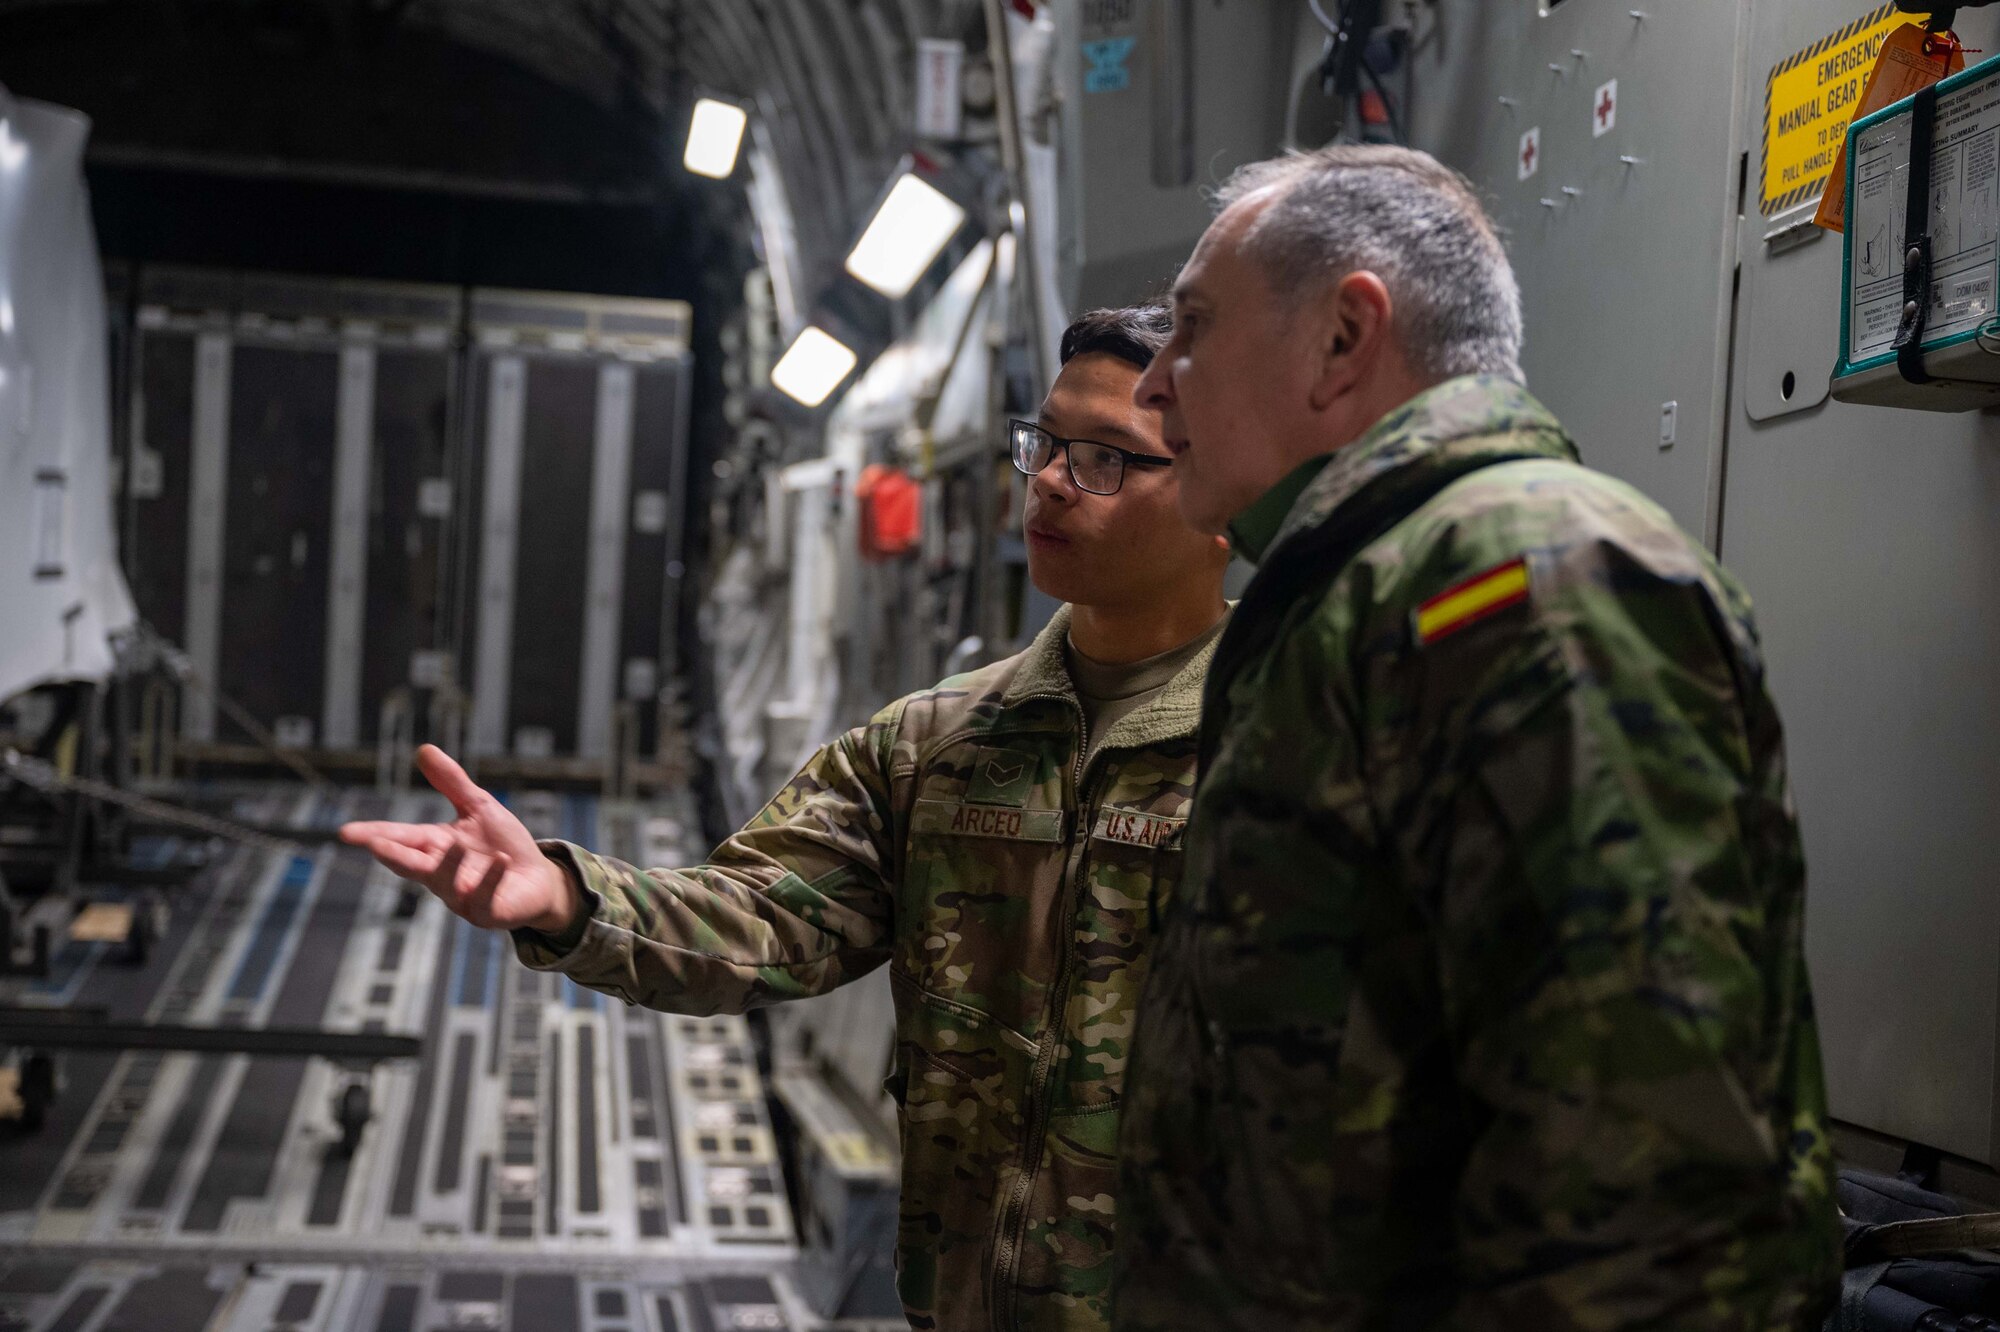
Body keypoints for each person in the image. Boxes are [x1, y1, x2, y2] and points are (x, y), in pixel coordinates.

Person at [341, 302, 1232, 1332]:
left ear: (1219, 493)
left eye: (1105, 458)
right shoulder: (938, 745)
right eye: (1042, 443)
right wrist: (565, 896)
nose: (1044, 480)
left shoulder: (1292, 748)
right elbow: (763, 916)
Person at [1112, 144, 1842, 1330]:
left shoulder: (1527, 580)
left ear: (1343, 338)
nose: (1152, 387)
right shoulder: (1359, 594)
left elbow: (1646, 1191)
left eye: (1188, 327)